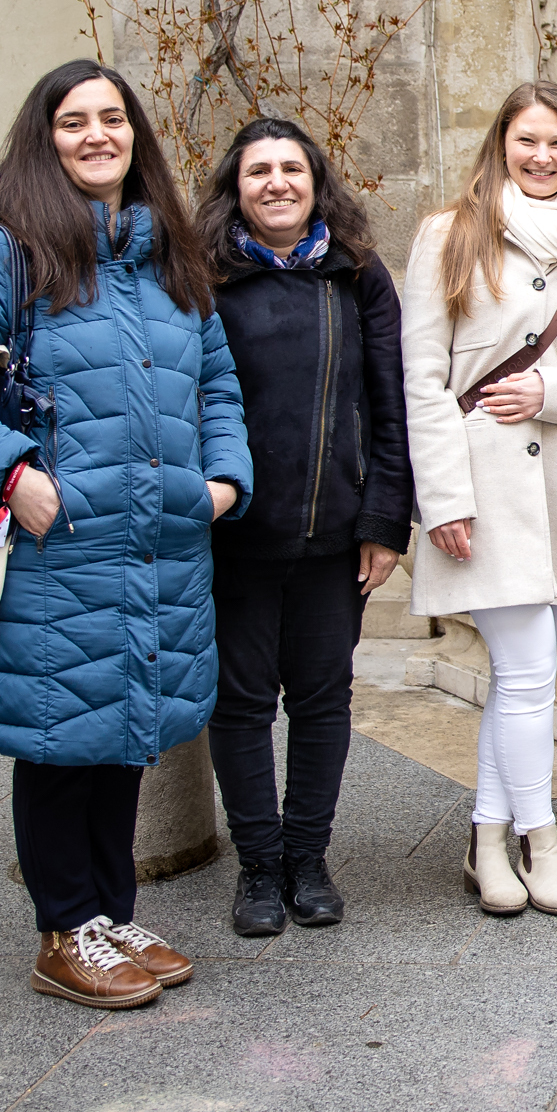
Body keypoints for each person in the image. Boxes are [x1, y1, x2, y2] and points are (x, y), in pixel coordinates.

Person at [0, 60, 250, 1009]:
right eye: (74, 121)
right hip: (57, 552)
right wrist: (17, 476)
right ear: (43, 139)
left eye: (113, 118)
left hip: (160, 546)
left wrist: (222, 483)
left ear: (136, 134)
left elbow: (217, 383)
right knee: (60, 738)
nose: (98, 135)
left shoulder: (169, 256)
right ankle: (64, 929)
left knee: (125, 732)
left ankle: (109, 913)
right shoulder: (1, 256)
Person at [403, 81, 557, 919]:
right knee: (530, 671)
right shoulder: (450, 236)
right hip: (484, 484)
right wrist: (443, 500)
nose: (542, 157)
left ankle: (486, 838)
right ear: (501, 141)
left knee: (519, 678)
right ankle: (542, 841)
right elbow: (423, 379)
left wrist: (555, 390)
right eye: (527, 140)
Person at [198, 117, 411, 939]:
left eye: (293, 168)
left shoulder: (356, 274)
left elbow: (390, 404)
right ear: (236, 187)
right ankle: (258, 864)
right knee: (241, 702)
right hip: (237, 535)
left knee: (324, 700)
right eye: (259, 171)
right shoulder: (204, 278)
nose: (277, 182)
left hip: (335, 535)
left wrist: (384, 519)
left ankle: (307, 858)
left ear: (317, 183)